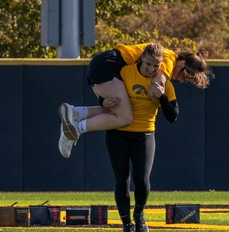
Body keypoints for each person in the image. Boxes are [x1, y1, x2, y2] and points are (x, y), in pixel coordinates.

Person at [64, 43, 180, 232]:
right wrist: (103, 102)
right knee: (122, 179)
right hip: (118, 133)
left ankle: (139, 215)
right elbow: (103, 91)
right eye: (149, 63)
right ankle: (126, 224)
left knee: (141, 180)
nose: (151, 69)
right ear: (142, 58)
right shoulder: (125, 72)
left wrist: (161, 98)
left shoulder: (163, 83)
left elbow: (173, 115)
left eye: (156, 66)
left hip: (144, 134)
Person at [58, 42, 212, 158]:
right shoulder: (169, 60)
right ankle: (76, 128)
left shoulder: (169, 57)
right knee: (125, 117)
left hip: (103, 62)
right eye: (184, 75)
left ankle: (76, 112)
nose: (182, 79)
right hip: (109, 66)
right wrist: (158, 98)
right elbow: (157, 84)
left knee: (117, 109)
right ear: (183, 63)